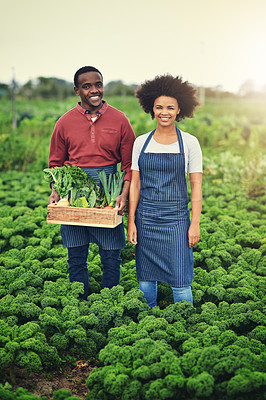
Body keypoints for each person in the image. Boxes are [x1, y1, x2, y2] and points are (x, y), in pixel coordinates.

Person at [48, 66, 135, 300]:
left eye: (98, 84)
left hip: (108, 192)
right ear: (77, 90)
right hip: (74, 194)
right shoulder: (64, 122)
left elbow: (129, 165)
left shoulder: (119, 120)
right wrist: (56, 191)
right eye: (87, 86)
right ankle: (80, 302)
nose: (94, 90)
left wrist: (123, 195)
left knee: (111, 256)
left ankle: (109, 301)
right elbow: (55, 164)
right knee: (76, 257)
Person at [127, 74, 202, 308]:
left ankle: (186, 327)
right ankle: (147, 324)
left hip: (177, 220)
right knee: (146, 280)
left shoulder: (190, 142)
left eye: (170, 107)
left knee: (181, 280)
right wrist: (131, 221)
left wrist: (195, 223)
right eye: (159, 107)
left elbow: (196, 186)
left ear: (180, 109)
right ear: (152, 108)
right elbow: (135, 184)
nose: (164, 112)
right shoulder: (141, 142)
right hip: (146, 219)